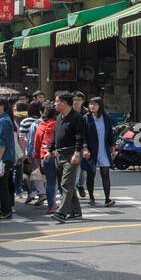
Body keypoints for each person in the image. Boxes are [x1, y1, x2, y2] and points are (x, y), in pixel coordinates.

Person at [50, 92, 87, 222]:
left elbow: (80, 136)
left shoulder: (77, 117)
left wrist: (77, 152)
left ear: (64, 103)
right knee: (64, 185)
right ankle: (76, 211)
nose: (54, 104)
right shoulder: (59, 117)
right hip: (59, 154)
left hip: (71, 154)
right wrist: (50, 150)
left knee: (67, 183)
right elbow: (55, 135)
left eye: (57, 101)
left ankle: (62, 213)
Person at [83, 95, 118, 207]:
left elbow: (110, 135)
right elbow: (82, 135)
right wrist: (84, 148)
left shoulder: (106, 118)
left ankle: (107, 198)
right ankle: (91, 198)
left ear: (100, 106)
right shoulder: (86, 118)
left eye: (95, 104)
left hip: (103, 150)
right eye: (90, 104)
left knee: (105, 173)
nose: (92, 106)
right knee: (91, 174)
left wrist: (113, 148)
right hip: (91, 150)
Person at [33, 106, 58, 213]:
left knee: (50, 182)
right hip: (57, 155)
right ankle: (63, 204)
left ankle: (51, 206)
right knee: (61, 182)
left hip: (44, 156)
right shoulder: (58, 124)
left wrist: (37, 157)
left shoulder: (41, 125)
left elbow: (36, 143)